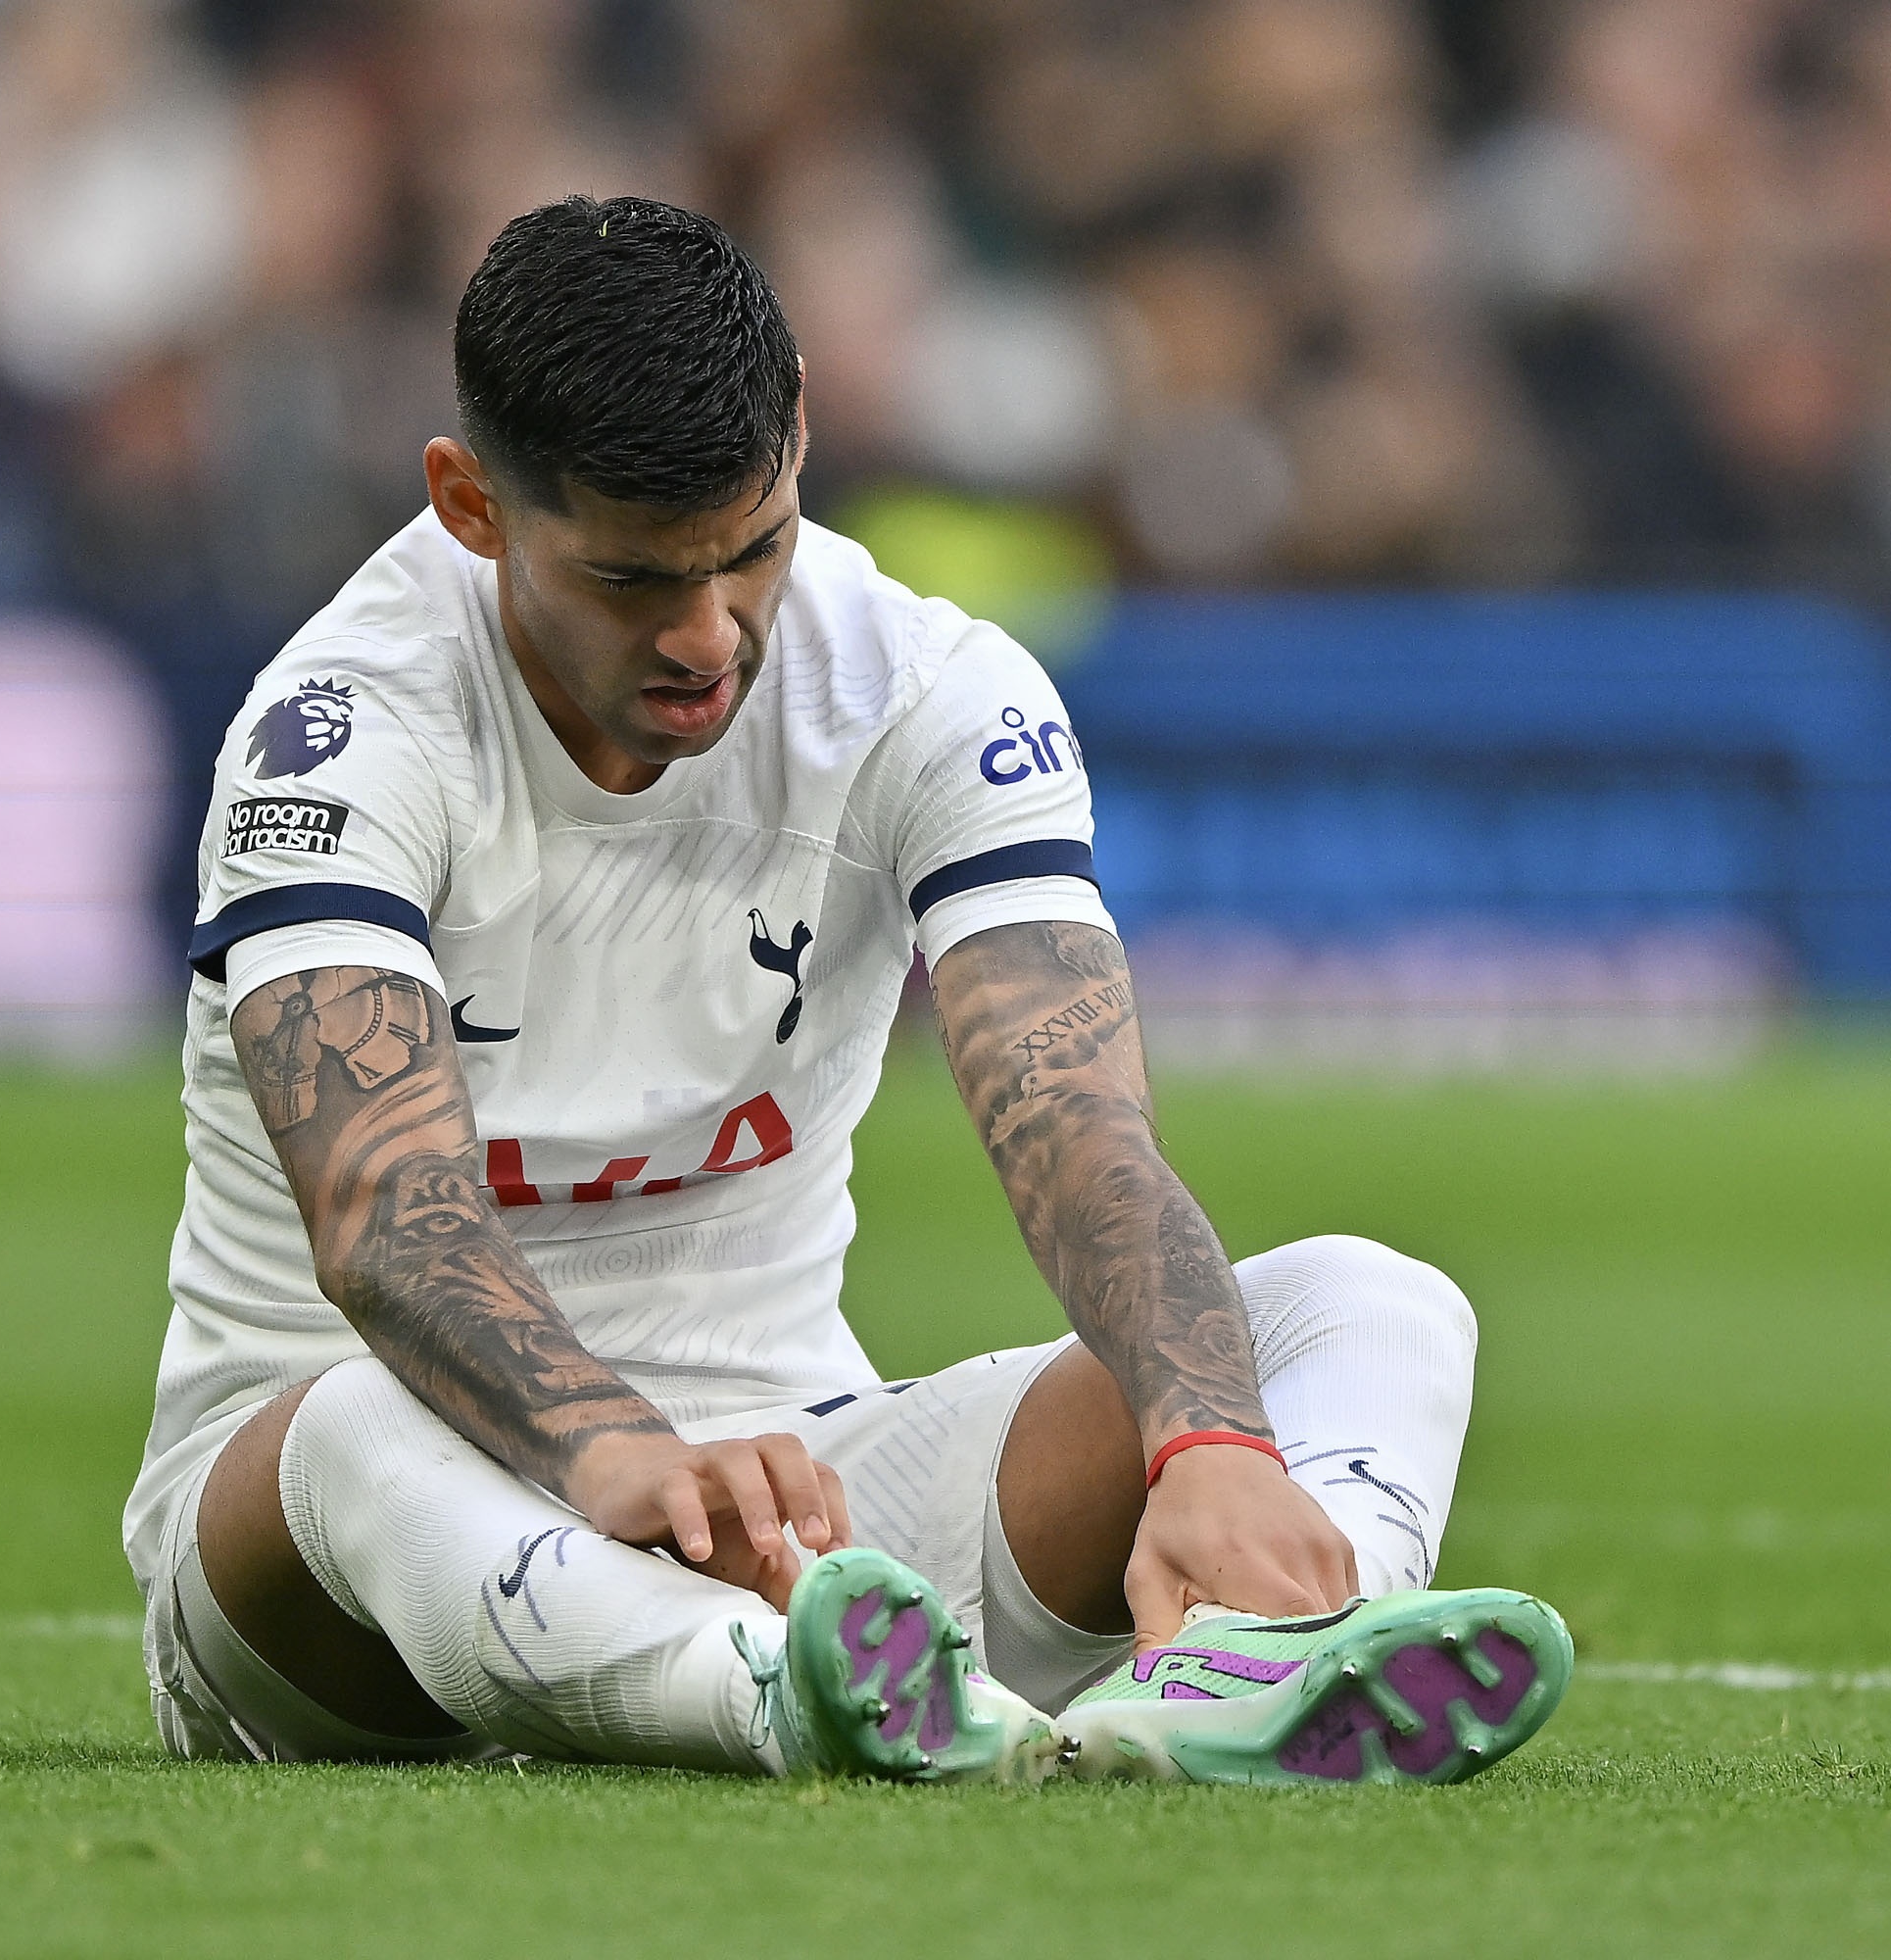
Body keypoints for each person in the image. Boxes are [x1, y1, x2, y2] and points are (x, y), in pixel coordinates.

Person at [122, 194, 1571, 1785]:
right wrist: (615, 1453)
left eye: (752, 550)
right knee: (350, 1428)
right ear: (473, 504)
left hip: (805, 1501)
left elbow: (1073, 1121)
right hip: (356, 1569)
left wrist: (1207, 1445)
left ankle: (1273, 1649)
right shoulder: (340, 732)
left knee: (1369, 1303)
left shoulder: (930, 688)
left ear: (802, 429)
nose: (707, 637)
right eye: (631, 581)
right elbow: (388, 1218)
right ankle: (783, 1694)